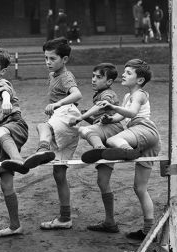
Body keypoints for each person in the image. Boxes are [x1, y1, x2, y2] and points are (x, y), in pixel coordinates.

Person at [83, 59, 160, 240]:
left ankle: (128, 151)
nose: (123, 75)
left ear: (139, 80)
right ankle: (149, 230)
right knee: (140, 188)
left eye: (128, 73)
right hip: (144, 137)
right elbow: (121, 117)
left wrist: (112, 107)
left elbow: (132, 113)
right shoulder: (127, 97)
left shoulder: (139, 94)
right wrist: (109, 119)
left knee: (112, 139)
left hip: (144, 129)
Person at [0, 48, 44, 237]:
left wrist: (6, 100)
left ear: (2, 71)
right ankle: (15, 226)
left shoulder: (3, 83)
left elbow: (4, 91)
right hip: (1, 140)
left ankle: (18, 160)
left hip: (15, 126)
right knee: (5, 184)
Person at [25, 37, 82, 230]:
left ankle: (42, 150)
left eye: (52, 58)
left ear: (64, 60)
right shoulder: (52, 75)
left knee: (43, 127)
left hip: (66, 114)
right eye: (46, 58)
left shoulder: (66, 76)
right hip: (66, 122)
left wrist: (57, 104)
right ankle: (65, 218)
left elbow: (77, 95)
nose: (47, 62)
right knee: (59, 172)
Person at [69, 63, 123, 233]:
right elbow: (97, 123)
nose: (94, 79)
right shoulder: (99, 95)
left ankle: (99, 148)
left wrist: (80, 117)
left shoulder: (107, 94)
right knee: (102, 181)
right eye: (93, 76)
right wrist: (86, 116)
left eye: (99, 77)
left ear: (109, 82)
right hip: (106, 135)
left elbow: (101, 106)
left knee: (83, 130)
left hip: (112, 131)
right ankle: (110, 222)